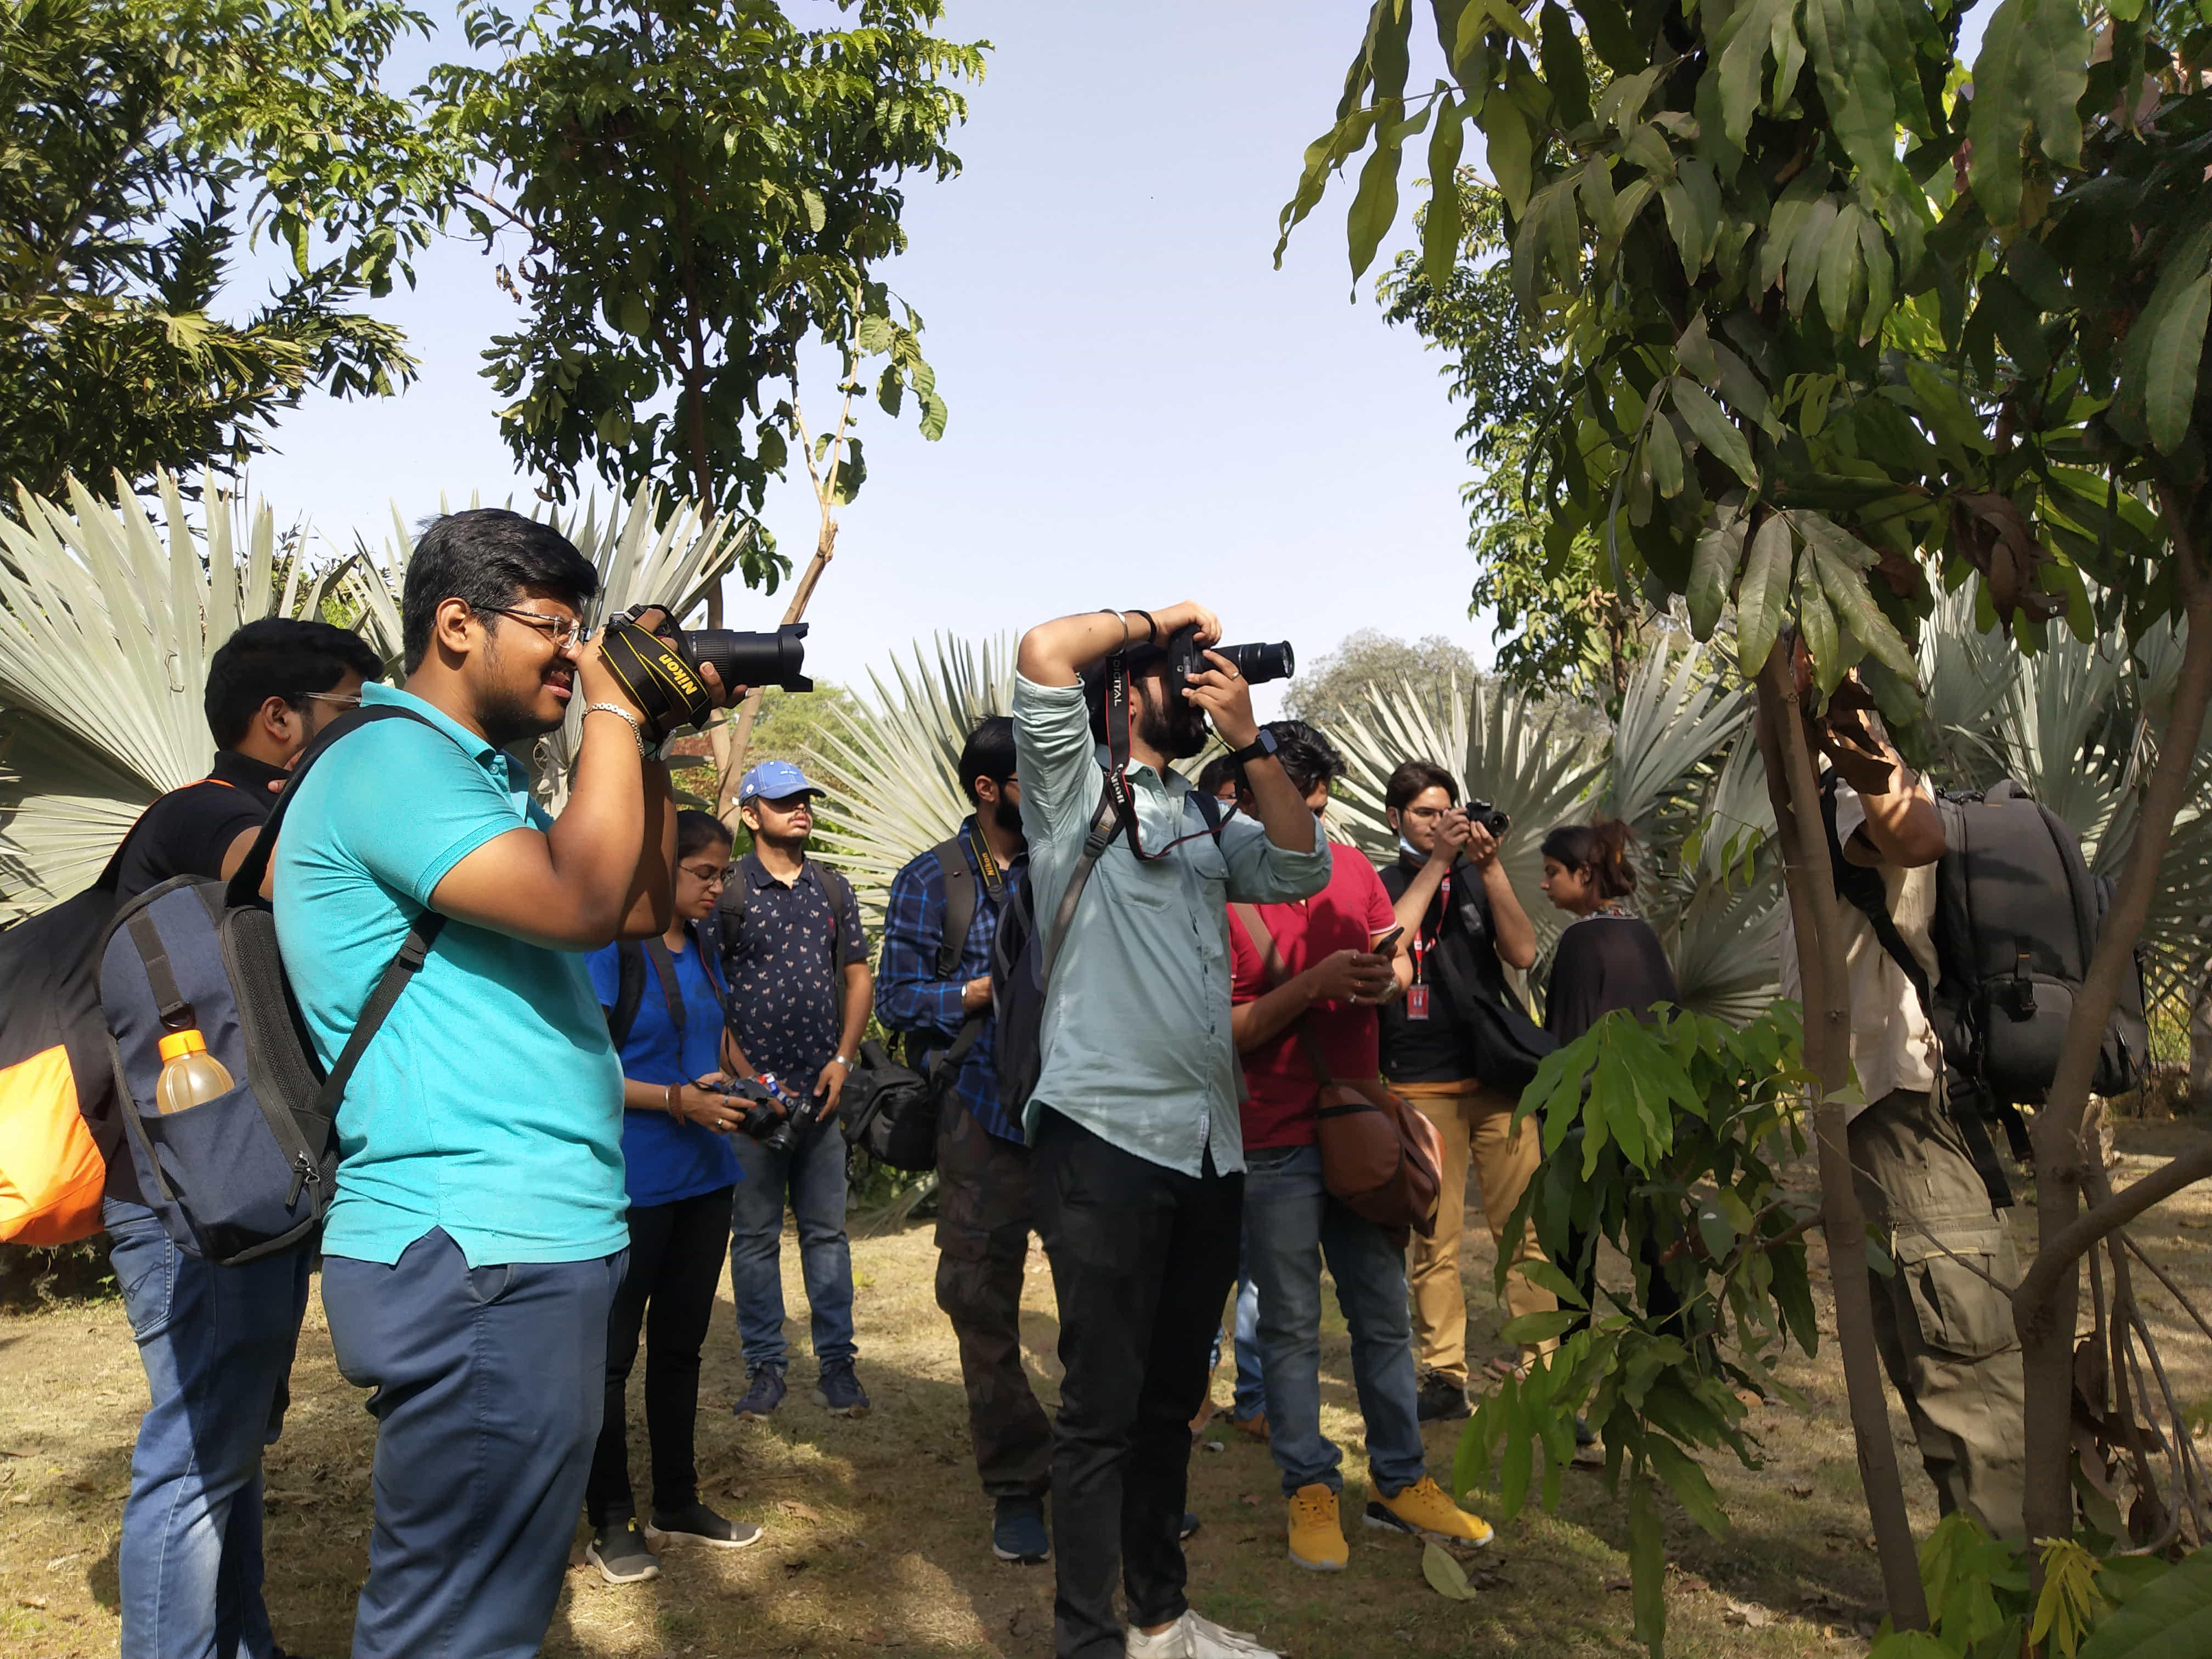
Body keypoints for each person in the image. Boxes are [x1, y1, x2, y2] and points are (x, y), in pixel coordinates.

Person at [274, 508, 725, 1658]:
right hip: (473, 1242)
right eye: (556, 630)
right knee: (455, 1627)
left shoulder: (475, 778)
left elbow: (626, 906)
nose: (577, 658)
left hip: (517, 1241)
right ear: (458, 625)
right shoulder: (390, 759)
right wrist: (617, 711)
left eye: (587, 634)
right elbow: (582, 900)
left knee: (491, 1612)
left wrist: (653, 738)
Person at [1015, 602, 1331, 1659]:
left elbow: (1300, 868)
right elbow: (1043, 651)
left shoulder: (1203, 816)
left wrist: (1249, 742)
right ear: (1125, 688)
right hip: (1104, 1134)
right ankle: (1085, 1637)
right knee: (1100, 1407)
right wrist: (1163, 618)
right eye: (1175, 672)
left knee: (1169, 1401)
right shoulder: (1074, 791)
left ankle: (1157, 1614)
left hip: (1209, 1147)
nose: (1195, 680)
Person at [103, 618, 381, 1659]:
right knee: (195, 1450)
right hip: (188, 1196)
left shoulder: (242, 810)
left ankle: (243, 1639)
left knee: (226, 1446)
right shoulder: (203, 815)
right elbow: (299, 875)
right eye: (351, 713)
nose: (366, 737)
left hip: (249, 1178)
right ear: (280, 720)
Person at [1225, 722, 1493, 1574]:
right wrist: (1308, 987)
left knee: (1382, 1312)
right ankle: (1309, 1485)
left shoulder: (1346, 869)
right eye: (1270, 800)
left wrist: (1387, 975)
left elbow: (1400, 962)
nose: (1301, 819)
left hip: (1361, 1126)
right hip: (1271, 1132)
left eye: (1306, 802)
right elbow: (1225, 1030)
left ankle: (1398, 1481)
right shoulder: (1221, 884)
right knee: (1294, 1324)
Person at [1782, 670, 2028, 1538]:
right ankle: (1982, 1588)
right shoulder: (1812, 797)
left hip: (1906, 1106)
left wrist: (1852, 724)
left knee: (1965, 1374)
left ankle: (2015, 1610)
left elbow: (1914, 835)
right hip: (1866, 1118)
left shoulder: (1864, 793)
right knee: (1926, 1362)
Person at [875, 715, 1054, 1565]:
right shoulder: (930, 880)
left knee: (1103, 1301)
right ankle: (1018, 1483)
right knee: (980, 1304)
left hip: (1081, 1113)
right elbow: (899, 1000)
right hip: (981, 1113)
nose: (1051, 789)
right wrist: (987, 990)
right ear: (988, 790)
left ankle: (1100, 1475)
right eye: (1032, 778)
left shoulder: (1075, 866)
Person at [582, 810, 765, 1584]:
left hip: (707, 1179)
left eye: (723, 873)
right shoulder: (608, 948)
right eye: (705, 873)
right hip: (632, 1182)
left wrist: (753, 1084)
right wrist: (678, 1102)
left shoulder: (707, 946)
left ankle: (677, 1501)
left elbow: (713, 1037)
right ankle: (611, 1521)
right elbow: (581, 1071)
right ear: (661, 869)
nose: (719, 887)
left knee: (683, 1349)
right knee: (610, 1359)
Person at [1376, 761, 1555, 1422]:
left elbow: (1522, 952)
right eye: (1425, 814)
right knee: (1436, 1241)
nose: (1439, 823)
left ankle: (1545, 1373)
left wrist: (1491, 868)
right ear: (1395, 818)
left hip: (1498, 1081)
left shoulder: (1479, 878)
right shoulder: (1384, 881)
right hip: (1422, 1083)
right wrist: (1439, 862)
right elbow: (1388, 938)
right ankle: (1445, 1377)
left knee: (1526, 1234)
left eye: (1446, 811)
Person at [719, 759, 873, 1420]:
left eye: (805, 800)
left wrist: (843, 1059)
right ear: (751, 813)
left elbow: (859, 978)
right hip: (749, 1105)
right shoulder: (724, 893)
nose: (800, 810)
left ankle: (838, 1366)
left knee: (826, 1236)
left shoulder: (832, 890)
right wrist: (749, 1084)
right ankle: (766, 1370)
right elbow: (709, 994)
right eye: (784, 802)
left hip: (822, 1098)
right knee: (754, 1238)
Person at [1536, 818, 1685, 1345]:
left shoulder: (1580, 940)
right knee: (1658, 1233)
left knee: (1573, 1244)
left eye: (1552, 872)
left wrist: (1548, 1113)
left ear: (1584, 873)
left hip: (1588, 1119)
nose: (1544, 883)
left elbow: (1568, 1039)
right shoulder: (1642, 933)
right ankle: (1678, 1352)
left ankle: (1573, 1353)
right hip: (1652, 1110)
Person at [1190, 753, 1266, 1443]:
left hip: (1265, 1103)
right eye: (1229, 803)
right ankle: (1196, 1389)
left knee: (1252, 1263)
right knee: (1204, 1259)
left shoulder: (1274, 882)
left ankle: (1255, 1393)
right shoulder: (1196, 890)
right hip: (1204, 1098)